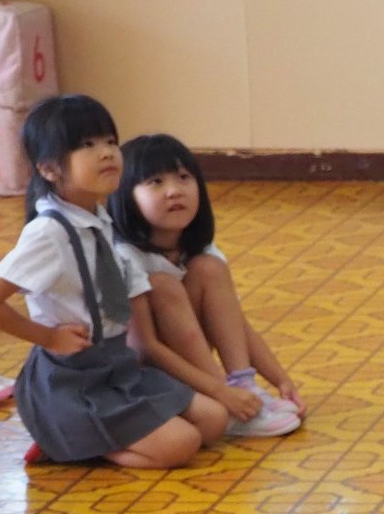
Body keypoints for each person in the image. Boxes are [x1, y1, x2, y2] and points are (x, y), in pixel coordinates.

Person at [0, 96, 228, 467]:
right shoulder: (48, 234)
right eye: (86, 145)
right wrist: (48, 337)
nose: (106, 153)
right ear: (49, 169)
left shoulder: (100, 220)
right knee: (181, 445)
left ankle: (90, 433)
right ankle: (67, 441)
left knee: (214, 420)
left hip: (115, 369)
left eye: (109, 141)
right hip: (70, 383)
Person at [108, 133, 303, 438]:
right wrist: (219, 392)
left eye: (184, 177)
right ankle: (225, 400)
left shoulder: (201, 249)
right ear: (124, 195)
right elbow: (144, 349)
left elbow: (235, 322)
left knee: (210, 269)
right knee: (162, 285)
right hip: (144, 372)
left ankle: (242, 386)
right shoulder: (124, 256)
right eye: (155, 182)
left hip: (193, 368)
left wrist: (280, 379)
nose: (174, 191)